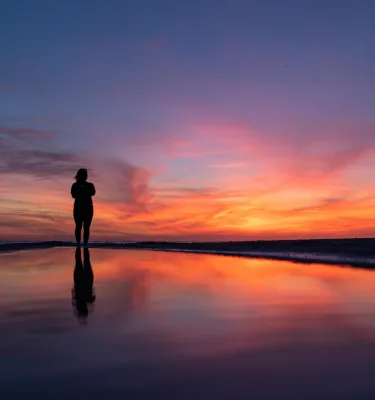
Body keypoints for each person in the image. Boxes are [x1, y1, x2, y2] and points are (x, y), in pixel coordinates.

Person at [71, 168, 96, 246]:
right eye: (82, 175)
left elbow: (93, 193)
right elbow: (73, 195)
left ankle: (85, 244)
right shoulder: (75, 185)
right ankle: (78, 244)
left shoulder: (90, 185)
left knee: (86, 227)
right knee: (78, 227)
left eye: (84, 175)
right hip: (78, 209)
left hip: (88, 209)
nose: (84, 176)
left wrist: (83, 189)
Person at [72, 247, 96, 319]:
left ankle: (79, 245)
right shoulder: (78, 298)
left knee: (80, 261)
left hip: (83, 280)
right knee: (82, 260)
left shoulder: (88, 299)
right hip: (84, 280)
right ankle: (82, 245)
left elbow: (93, 295)